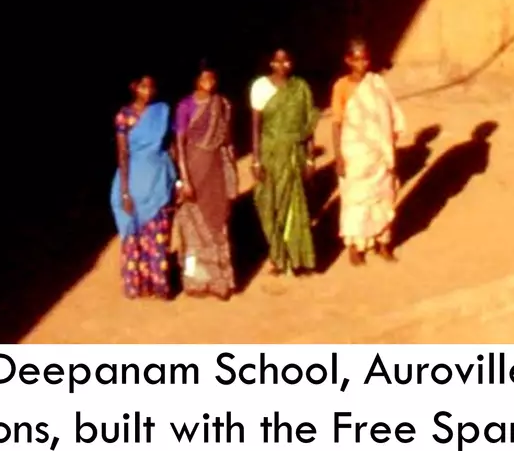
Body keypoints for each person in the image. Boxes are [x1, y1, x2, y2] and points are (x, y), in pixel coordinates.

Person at [328, 38, 405, 266]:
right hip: (355, 154)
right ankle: (356, 247)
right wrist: (339, 157)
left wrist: (390, 150)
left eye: (366, 58)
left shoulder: (377, 83)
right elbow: (337, 122)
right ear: (348, 60)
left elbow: (389, 117)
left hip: (379, 154)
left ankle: (383, 242)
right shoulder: (341, 87)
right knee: (356, 200)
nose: (363, 63)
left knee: (384, 198)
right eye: (357, 58)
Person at [249, 48, 318, 276]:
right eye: (278, 61)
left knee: (296, 205)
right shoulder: (260, 87)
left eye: (287, 60)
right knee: (268, 204)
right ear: (271, 63)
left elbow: (308, 125)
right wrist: (256, 160)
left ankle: (298, 259)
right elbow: (256, 126)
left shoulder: (301, 88)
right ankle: (278, 256)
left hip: (293, 154)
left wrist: (309, 157)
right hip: (270, 153)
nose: (283, 65)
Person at [173, 65, 238, 300]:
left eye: (213, 78)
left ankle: (221, 283)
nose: (210, 82)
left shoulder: (222, 104)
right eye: (205, 78)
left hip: (216, 171)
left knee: (218, 224)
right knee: (192, 229)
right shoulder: (185, 106)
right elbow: (179, 144)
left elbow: (228, 142)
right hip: (193, 167)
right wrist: (185, 179)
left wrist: (232, 175)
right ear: (196, 80)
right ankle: (194, 282)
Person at [111, 73, 178, 300]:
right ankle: (137, 284)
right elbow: (122, 154)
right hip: (135, 180)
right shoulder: (124, 116)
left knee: (158, 231)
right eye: (143, 87)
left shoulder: (162, 111)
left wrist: (176, 178)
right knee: (134, 233)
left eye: (151, 87)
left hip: (159, 177)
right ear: (133, 87)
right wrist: (125, 191)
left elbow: (170, 145)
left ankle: (159, 284)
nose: (148, 91)